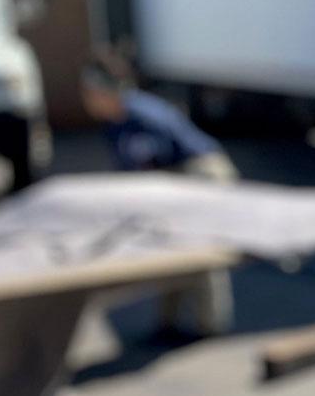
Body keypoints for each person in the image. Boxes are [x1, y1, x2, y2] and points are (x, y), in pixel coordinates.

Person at [80, 51, 239, 339]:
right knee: (170, 250)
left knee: (198, 248)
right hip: (173, 177)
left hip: (201, 173)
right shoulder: (115, 122)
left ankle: (210, 325)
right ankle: (169, 323)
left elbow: (155, 170)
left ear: (103, 92)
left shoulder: (138, 115)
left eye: (90, 93)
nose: (86, 100)